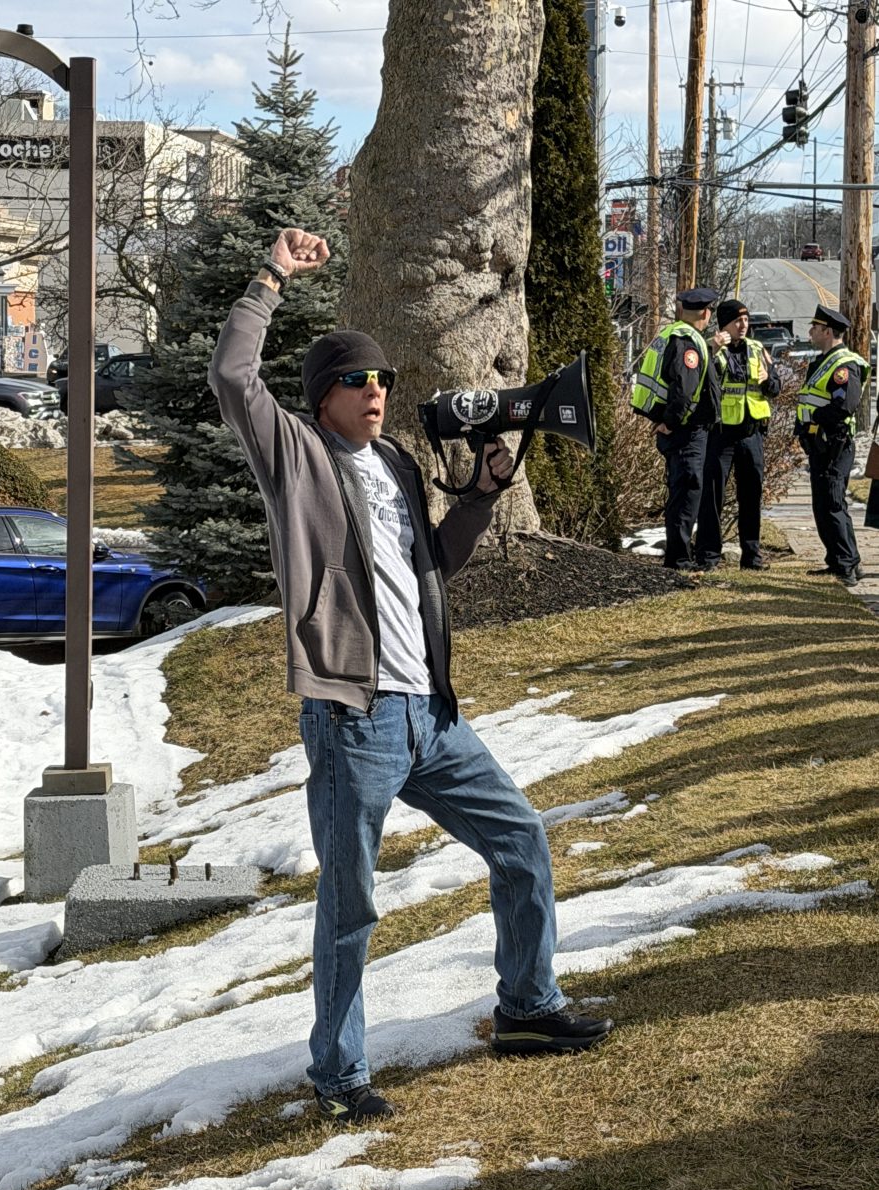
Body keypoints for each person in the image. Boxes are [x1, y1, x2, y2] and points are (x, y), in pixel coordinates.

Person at [209, 226, 613, 1126]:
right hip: (354, 721)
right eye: (358, 381)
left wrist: (480, 495)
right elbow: (234, 379)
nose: (377, 391)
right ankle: (339, 1074)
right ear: (323, 399)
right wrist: (271, 276)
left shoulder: (395, 463)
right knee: (352, 905)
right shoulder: (298, 459)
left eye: (383, 378)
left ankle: (527, 1009)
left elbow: (432, 561)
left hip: (430, 715)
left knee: (522, 843)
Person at [631, 287, 721, 570]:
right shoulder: (689, 341)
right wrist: (671, 421)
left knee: (682, 491)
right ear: (706, 313)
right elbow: (683, 390)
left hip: (677, 428)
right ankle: (680, 559)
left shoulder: (671, 334)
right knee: (687, 491)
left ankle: (678, 555)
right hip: (685, 430)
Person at [695, 299, 781, 571]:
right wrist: (712, 349)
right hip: (721, 435)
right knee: (712, 497)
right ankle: (708, 556)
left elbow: (776, 387)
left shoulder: (758, 349)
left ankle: (751, 556)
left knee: (751, 496)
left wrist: (768, 380)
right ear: (724, 325)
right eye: (736, 321)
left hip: (751, 434)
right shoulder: (713, 351)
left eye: (745, 320)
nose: (743, 325)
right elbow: (700, 384)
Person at [796, 304, 869, 587]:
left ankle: (846, 565)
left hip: (834, 443)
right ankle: (840, 559)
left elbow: (844, 405)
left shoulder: (844, 365)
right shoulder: (823, 361)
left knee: (833, 503)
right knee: (823, 504)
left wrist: (815, 418)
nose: (810, 331)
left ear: (827, 331)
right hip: (819, 442)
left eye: (815, 327)